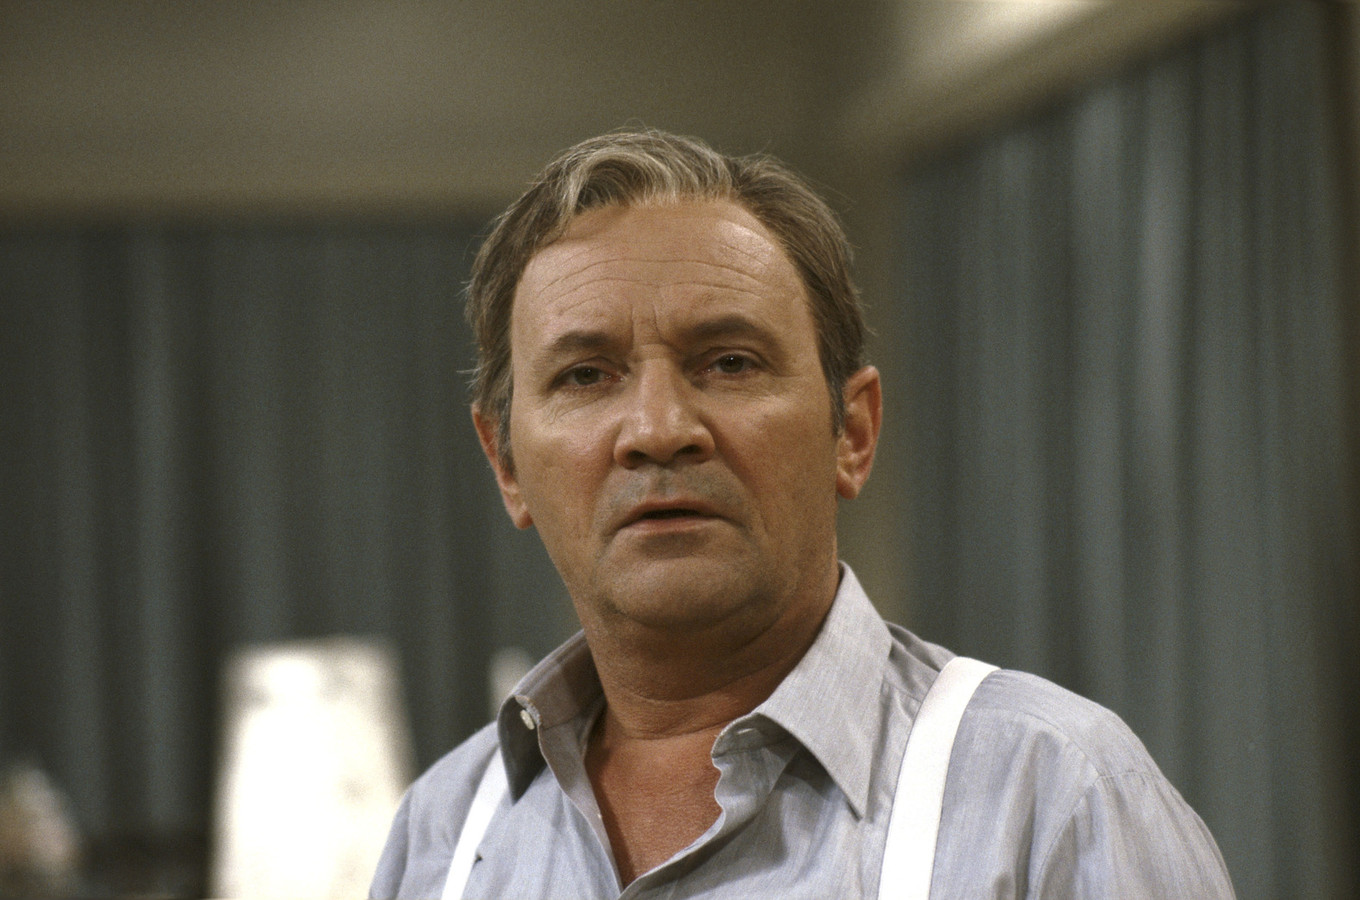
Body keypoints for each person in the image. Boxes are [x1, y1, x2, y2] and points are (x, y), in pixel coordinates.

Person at [369, 129, 1235, 899]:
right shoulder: (442, 838)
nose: (659, 430)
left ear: (851, 432)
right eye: (586, 375)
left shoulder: (1052, 797)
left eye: (730, 362)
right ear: (506, 464)